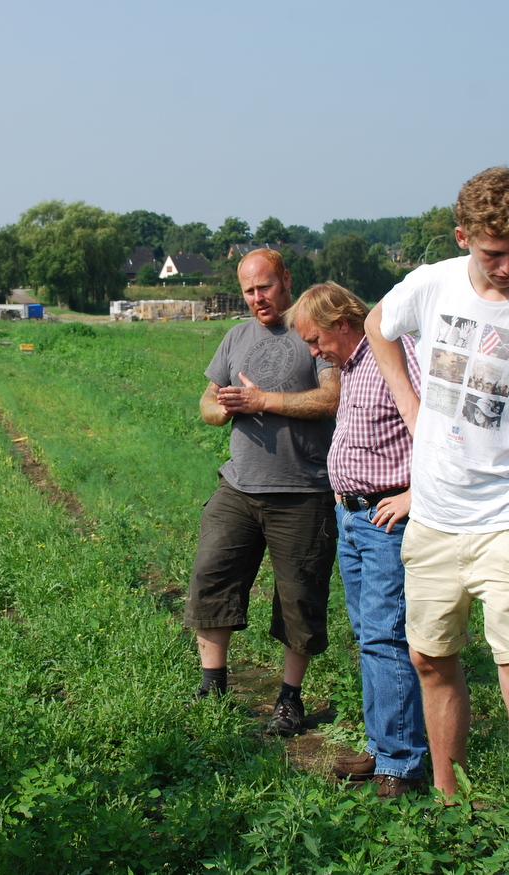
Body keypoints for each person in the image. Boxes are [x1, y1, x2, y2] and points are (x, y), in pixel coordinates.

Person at [364, 166, 509, 811]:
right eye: (494, 252)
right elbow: (377, 325)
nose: (507, 266)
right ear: (463, 235)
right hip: (437, 518)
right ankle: (451, 806)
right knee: (432, 661)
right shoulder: (434, 282)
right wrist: (414, 413)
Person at [183, 248, 340, 735]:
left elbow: (333, 397)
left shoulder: (312, 330)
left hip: (303, 491)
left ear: (285, 280)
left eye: (265, 287)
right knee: (211, 577)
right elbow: (207, 399)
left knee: (299, 599)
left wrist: (262, 400)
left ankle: (290, 701)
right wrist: (224, 407)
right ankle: (214, 686)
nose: (257, 299)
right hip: (239, 486)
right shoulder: (236, 336)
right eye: (249, 290)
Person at [289, 282, 426, 798]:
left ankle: (403, 764)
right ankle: (382, 744)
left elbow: (434, 427)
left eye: (314, 339)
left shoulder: (397, 355)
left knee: (387, 635)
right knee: (370, 634)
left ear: (341, 324)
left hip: (387, 520)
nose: (314, 351)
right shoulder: (353, 366)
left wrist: (415, 493)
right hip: (353, 518)